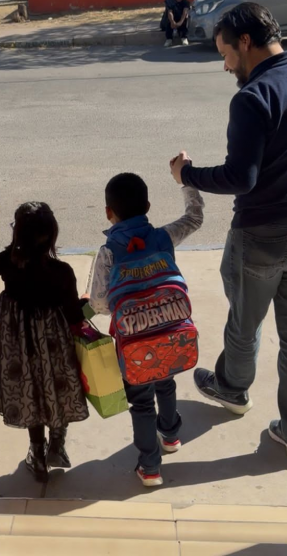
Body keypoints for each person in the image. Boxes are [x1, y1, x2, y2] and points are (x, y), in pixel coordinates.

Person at [170, 3, 287, 462]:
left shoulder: (253, 96)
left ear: (245, 42)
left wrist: (187, 174)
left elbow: (240, 178)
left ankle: (232, 388)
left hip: (265, 234)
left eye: (225, 53)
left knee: (245, 321)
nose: (226, 65)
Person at [89, 173, 204, 487]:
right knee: (166, 382)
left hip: (134, 344)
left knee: (141, 402)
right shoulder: (163, 237)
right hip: (169, 332)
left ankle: (150, 467)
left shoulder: (108, 252)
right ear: (148, 206)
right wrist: (187, 182)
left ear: (108, 212)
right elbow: (194, 219)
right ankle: (171, 435)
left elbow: (100, 303)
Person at [0, 201, 89, 483]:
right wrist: (87, 302)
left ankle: (38, 454)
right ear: (52, 233)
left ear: (18, 232)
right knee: (58, 385)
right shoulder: (62, 271)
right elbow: (74, 315)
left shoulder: (10, 261)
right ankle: (57, 444)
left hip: (20, 344)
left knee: (31, 390)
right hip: (55, 345)